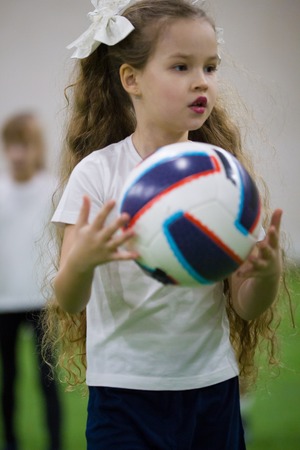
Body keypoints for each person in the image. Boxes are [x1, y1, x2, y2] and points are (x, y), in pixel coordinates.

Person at [43, 0, 283, 449]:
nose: (201, 81)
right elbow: (69, 298)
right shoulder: (98, 174)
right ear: (131, 79)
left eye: (211, 67)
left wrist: (265, 276)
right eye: (180, 66)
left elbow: (246, 304)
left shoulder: (224, 178)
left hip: (211, 389)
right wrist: (85, 261)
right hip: (124, 395)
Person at [0, 113, 62, 450]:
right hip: (5, 301)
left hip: (43, 301)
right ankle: (10, 440)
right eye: (12, 145)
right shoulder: (0, 193)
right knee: (9, 377)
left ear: (36, 148)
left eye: (24, 144)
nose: (18, 153)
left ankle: (55, 443)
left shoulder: (53, 190)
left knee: (48, 379)